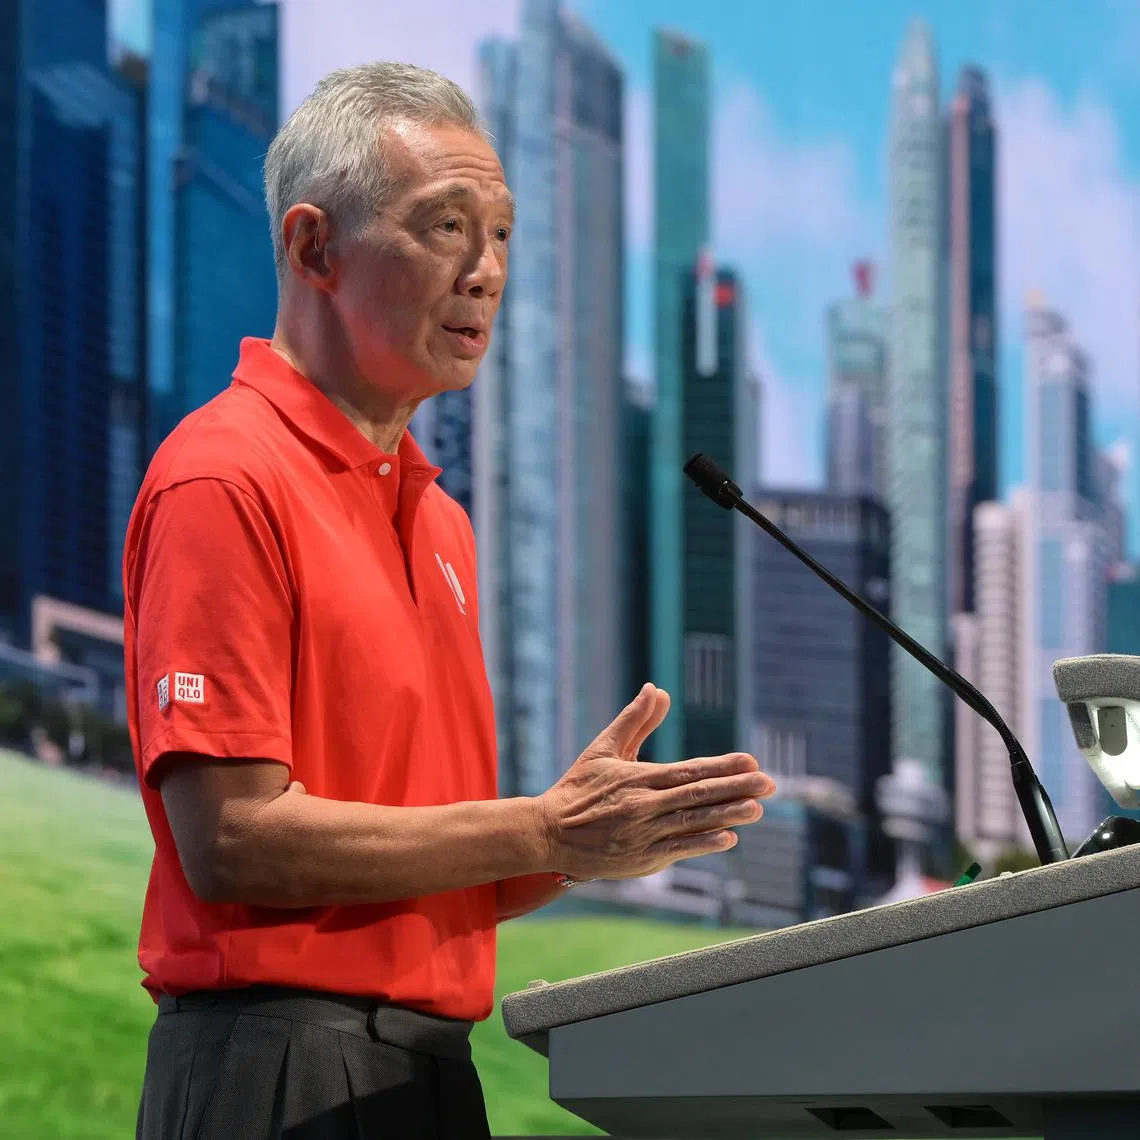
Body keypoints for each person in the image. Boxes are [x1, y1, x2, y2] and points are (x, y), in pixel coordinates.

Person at [125, 60, 775, 1140]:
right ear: (313, 247)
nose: (487, 271)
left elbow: (439, 871)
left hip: (433, 1076)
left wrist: (576, 844)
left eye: (504, 234)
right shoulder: (223, 477)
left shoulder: (442, 523)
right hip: (275, 1070)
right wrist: (536, 823)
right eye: (446, 227)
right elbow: (232, 840)